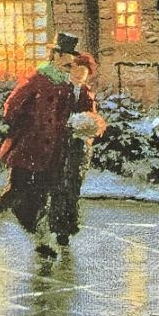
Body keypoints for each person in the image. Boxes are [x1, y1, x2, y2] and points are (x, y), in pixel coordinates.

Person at [0, 30, 79, 261]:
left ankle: (41, 241)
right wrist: (26, 126)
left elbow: (66, 114)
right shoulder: (37, 79)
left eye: (71, 62)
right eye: (67, 60)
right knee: (18, 189)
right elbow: (11, 106)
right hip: (29, 146)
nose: (70, 65)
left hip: (53, 150)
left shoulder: (66, 86)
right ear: (56, 56)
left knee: (40, 195)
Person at [48, 49, 106, 248]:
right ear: (71, 70)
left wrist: (91, 125)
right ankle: (57, 226)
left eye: (84, 72)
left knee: (73, 185)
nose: (80, 74)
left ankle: (68, 226)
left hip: (79, 145)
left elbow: (92, 116)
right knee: (58, 185)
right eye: (78, 70)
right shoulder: (60, 90)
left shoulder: (87, 93)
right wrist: (66, 125)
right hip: (59, 144)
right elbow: (52, 116)